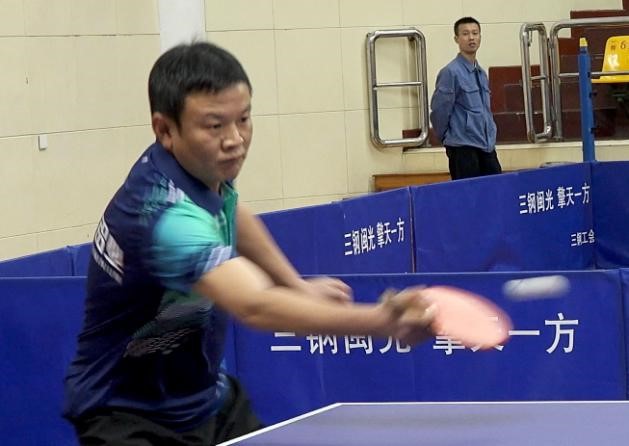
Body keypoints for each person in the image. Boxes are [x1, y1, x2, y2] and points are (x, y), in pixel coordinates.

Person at [62, 41, 436, 445]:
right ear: (165, 130)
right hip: (129, 417)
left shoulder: (201, 165)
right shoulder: (164, 217)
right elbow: (254, 305)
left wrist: (295, 285)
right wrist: (381, 321)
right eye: (215, 126)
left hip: (206, 401)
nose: (235, 139)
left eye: (243, 119)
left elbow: (231, 209)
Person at [430, 16, 502, 180]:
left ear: (480, 37)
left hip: (486, 146)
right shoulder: (450, 72)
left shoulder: (481, 73)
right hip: (463, 147)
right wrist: (447, 138)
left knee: (496, 189)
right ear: (456, 39)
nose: (471, 38)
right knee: (468, 194)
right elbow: (440, 110)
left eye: (475, 33)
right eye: (465, 34)